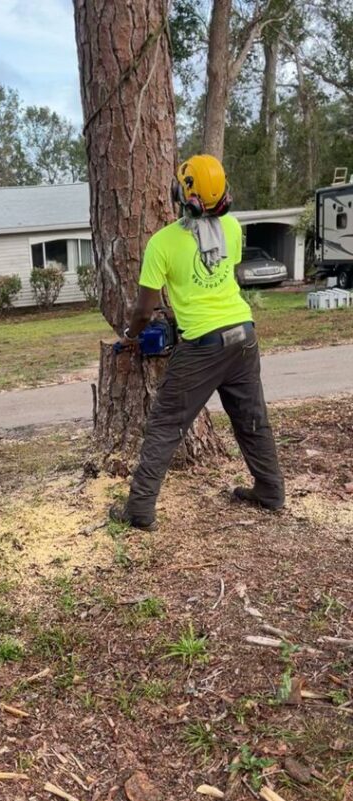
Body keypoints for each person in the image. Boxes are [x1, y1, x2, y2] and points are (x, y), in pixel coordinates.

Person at [110, 153, 285, 531]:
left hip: (203, 346)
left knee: (165, 423)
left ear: (181, 192)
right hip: (243, 334)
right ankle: (270, 491)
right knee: (251, 417)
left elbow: (143, 311)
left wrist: (130, 337)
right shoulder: (234, 229)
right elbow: (223, 279)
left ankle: (139, 510)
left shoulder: (162, 243)